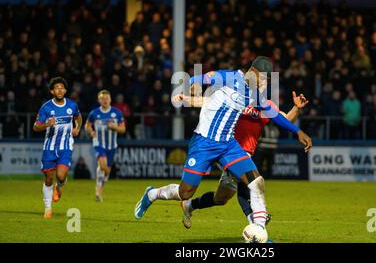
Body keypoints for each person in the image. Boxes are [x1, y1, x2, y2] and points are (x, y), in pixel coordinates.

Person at [133, 57, 312, 241]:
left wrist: (298, 131)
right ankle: (152, 194)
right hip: (204, 143)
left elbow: (274, 115)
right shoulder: (230, 77)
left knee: (256, 182)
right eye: (264, 78)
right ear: (254, 72)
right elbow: (206, 77)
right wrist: (192, 84)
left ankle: (259, 232)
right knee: (184, 192)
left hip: (228, 145)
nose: (265, 83)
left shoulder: (255, 96)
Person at [176, 90, 310, 228]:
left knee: (221, 198)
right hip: (228, 150)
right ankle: (256, 223)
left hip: (245, 154)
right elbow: (207, 101)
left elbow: (286, 120)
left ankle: (190, 205)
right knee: (247, 182)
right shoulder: (237, 99)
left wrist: (296, 108)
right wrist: (187, 99)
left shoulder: (267, 106)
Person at [33, 77, 82, 218]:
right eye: (57, 88)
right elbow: (35, 127)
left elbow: (78, 117)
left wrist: (77, 128)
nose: (59, 90)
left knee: (60, 176)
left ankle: (59, 186)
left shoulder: (72, 105)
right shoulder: (46, 108)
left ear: (65, 90)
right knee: (48, 179)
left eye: (62, 87)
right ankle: (48, 208)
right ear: (52, 91)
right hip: (49, 148)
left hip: (65, 147)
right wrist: (46, 124)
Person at [85, 90, 126, 202]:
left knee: (106, 170)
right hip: (99, 144)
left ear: (110, 100)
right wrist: (90, 132)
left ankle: (100, 188)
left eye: (107, 98)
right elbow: (87, 125)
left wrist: (115, 127)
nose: (105, 100)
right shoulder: (94, 113)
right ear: (99, 100)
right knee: (103, 166)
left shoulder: (117, 113)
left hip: (112, 146)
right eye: (102, 98)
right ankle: (98, 192)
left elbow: (123, 129)